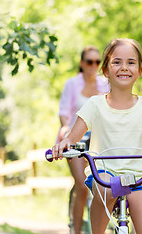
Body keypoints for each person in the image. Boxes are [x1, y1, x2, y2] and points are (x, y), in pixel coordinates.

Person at [52, 38, 142, 234]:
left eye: (131, 62)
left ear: (140, 70)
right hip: (104, 175)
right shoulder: (95, 104)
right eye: (117, 62)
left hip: (139, 179)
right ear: (106, 71)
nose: (124, 67)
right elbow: (72, 138)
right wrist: (63, 145)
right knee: (108, 190)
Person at [57, 46, 110, 234]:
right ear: (82, 64)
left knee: (105, 183)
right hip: (76, 138)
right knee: (81, 185)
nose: (93, 65)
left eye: (97, 62)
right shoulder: (72, 84)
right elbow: (64, 113)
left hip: (100, 140)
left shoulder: (105, 84)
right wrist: (65, 129)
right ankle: (77, 231)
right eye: (89, 62)